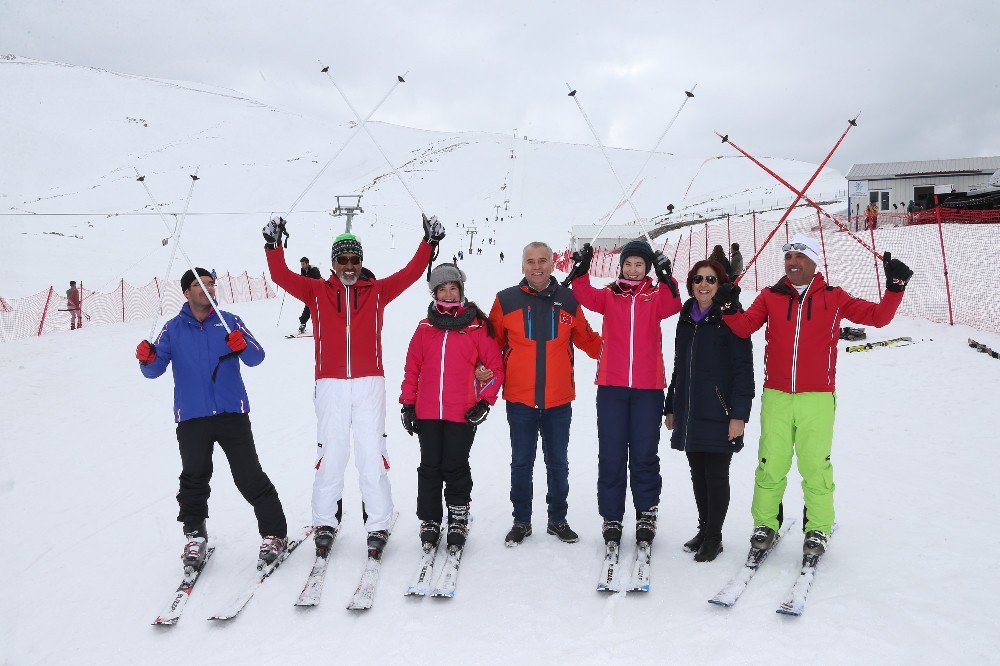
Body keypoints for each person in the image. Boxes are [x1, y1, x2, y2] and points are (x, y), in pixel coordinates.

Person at [713, 234, 913, 558]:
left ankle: (818, 527)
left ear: (814, 261)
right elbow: (743, 326)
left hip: (817, 398)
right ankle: (765, 523)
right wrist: (728, 306)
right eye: (788, 257)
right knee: (770, 463)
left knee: (814, 465)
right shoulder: (770, 296)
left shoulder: (833, 298)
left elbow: (879, 317)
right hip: (777, 395)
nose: (792, 262)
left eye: (799, 256)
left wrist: (895, 288)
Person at [263, 215, 445, 558]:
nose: (349, 266)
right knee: (331, 454)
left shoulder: (376, 291)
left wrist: (428, 243)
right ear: (333, 262)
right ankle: (325, 521)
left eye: (355, 260)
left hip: (369, 384)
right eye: (343, 260)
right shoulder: (316, 291)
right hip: (330, 383)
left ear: (362, 262)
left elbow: (410, 273)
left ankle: (377, 523)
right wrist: (273, 245)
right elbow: (280, 275)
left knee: (371, 453)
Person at [135, 268, 287, 569]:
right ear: (186, 292)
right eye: (199, 285)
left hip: (231, 412)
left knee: (248, 475)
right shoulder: (172, 329)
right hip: (192, 417)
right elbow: (153, 371)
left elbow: (257, 357)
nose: (207, 289)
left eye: (210, 284)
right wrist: (147, 358)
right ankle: (195, 536)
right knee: (194, 477)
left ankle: (274, 534)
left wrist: (241, 344)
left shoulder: (229, 321)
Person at [568, 239, 682, 547]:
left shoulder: (656, 296)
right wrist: (581, 269)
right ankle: (612, 515)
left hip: (648, 388)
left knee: (645, 454)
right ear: (621, 267)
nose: (633, 270)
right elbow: (583, 295)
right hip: (612, 387)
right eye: (628, 264)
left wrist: (667, 275)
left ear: (646, 268)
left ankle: (646, 511)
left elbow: (675, 304)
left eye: (639, 265)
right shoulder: (610, 295)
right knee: (612, 453)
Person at [487, 241, 602, 546]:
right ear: (522, 266)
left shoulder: (568, 300)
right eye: (530, 261)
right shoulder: (505, 301)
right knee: (522, 463)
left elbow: (590, 342)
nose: (536, 267)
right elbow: (490, 346)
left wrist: (626, 339)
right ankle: (521, 521)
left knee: (558, 463)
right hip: (520, 399)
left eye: (542, 261)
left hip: (558, 400)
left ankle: (557, 519)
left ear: (553, 264)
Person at [399, 263, 505, 551]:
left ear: (461, 291)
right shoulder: (424, 328)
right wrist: (408, 405)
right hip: (428, 412)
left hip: (461, 412)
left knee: (455, 466)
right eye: (442, 289)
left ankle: (458, 516)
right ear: (434, 293)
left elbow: (496, 367)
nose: (448, 293)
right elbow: (412, 369)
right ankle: (430, 520)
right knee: (430, 467)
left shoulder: (475, 327)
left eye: (452, 288)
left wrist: (484, 402)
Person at [664, 260, 753, 562]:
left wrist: (739, 414)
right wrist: (671, 404)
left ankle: (715, 536)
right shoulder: (686, 314)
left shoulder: (731, 316)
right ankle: (704, 529)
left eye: (711, 280)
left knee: (716, 475)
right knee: (698, 473)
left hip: (720, 410)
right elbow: (680, 364)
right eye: (698, 279)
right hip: (690, 408)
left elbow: (744, 369)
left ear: (720, 284)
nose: (703, 285)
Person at [296, 257, 323, 335]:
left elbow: (318, 281)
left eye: (303, 264)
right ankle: (303, 323)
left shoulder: (315, 270)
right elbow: (303, 281)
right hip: (310, 293)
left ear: (307, 263)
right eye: (301, 264)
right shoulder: (303, 270)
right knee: (308, 307)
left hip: (319, 292)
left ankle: (321, 327)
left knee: (318, 309)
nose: (302, 265)